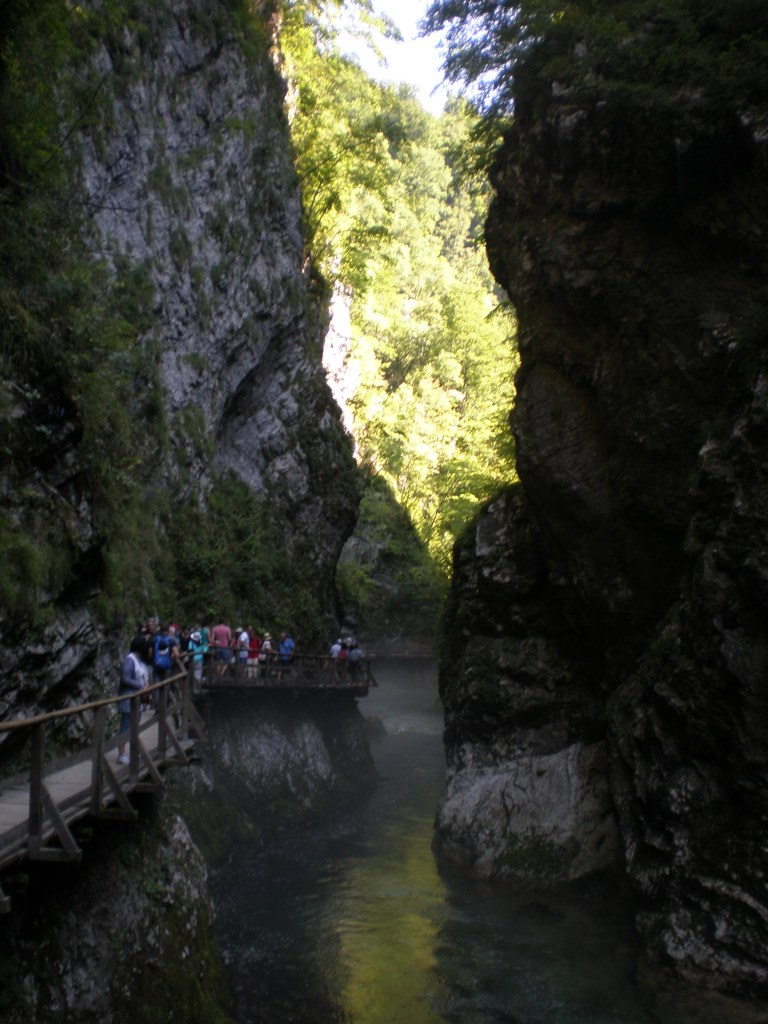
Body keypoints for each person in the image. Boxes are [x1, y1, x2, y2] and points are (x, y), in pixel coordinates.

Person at [117, 637, 150, 764]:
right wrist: (141, 686)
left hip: (138, 700)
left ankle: (133, 752)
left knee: (135, 726)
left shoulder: (138, 660)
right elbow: (125, 679)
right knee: (125, 727)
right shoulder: (129, 661)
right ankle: (121, 754)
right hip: (128, 699)